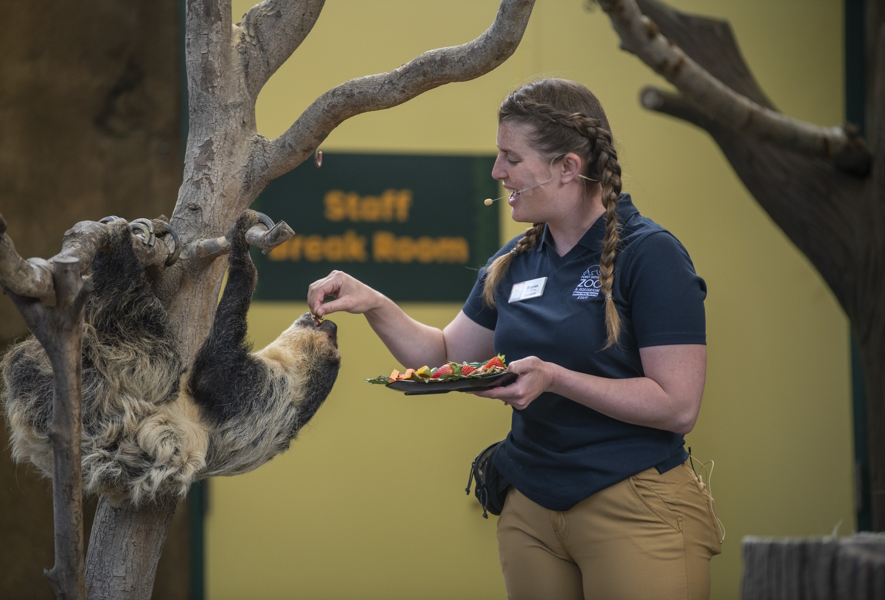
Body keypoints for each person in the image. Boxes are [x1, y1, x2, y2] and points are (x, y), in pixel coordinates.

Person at [307, 78, 722, 600]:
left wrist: (554, 379)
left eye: (511, 158)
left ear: (568, 167)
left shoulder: (651, 254)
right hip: (530, 509)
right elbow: (446, 357)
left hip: (633, 500)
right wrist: (374, 303)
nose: (497, 172)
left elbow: (678, 405)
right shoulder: (513, 259)